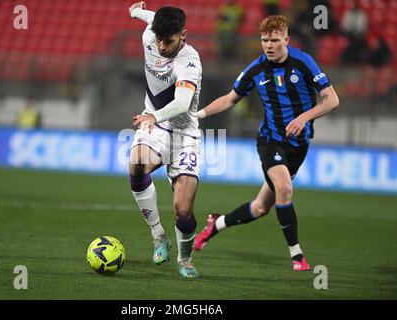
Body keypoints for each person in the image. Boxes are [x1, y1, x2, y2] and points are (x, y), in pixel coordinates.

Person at [194, 15, 339, 271]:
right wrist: (199, 115)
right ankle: (297, 256)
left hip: (299, 145)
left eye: (274, 40)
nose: (269, 45)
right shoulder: (256, 69)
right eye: (264, 40)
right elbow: (230, 99)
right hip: (270, 141)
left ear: (286, 40)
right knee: (284, 189)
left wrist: (304, 117)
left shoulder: (304, 63)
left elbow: (331, 99)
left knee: (261, 207)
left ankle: (216, 224)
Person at [128, 2, 203, 278]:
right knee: (136, 163)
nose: (160, 46)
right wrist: (136, 11)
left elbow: (182, 103)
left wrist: (153, 117)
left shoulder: (190, 62)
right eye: (158, 39)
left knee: (183, 210)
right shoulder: (150, 34)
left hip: (184, 135)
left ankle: (185, 259)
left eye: (168, 41)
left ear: (183, 34)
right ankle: (159, 235)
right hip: (156, 126)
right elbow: (150, 18)